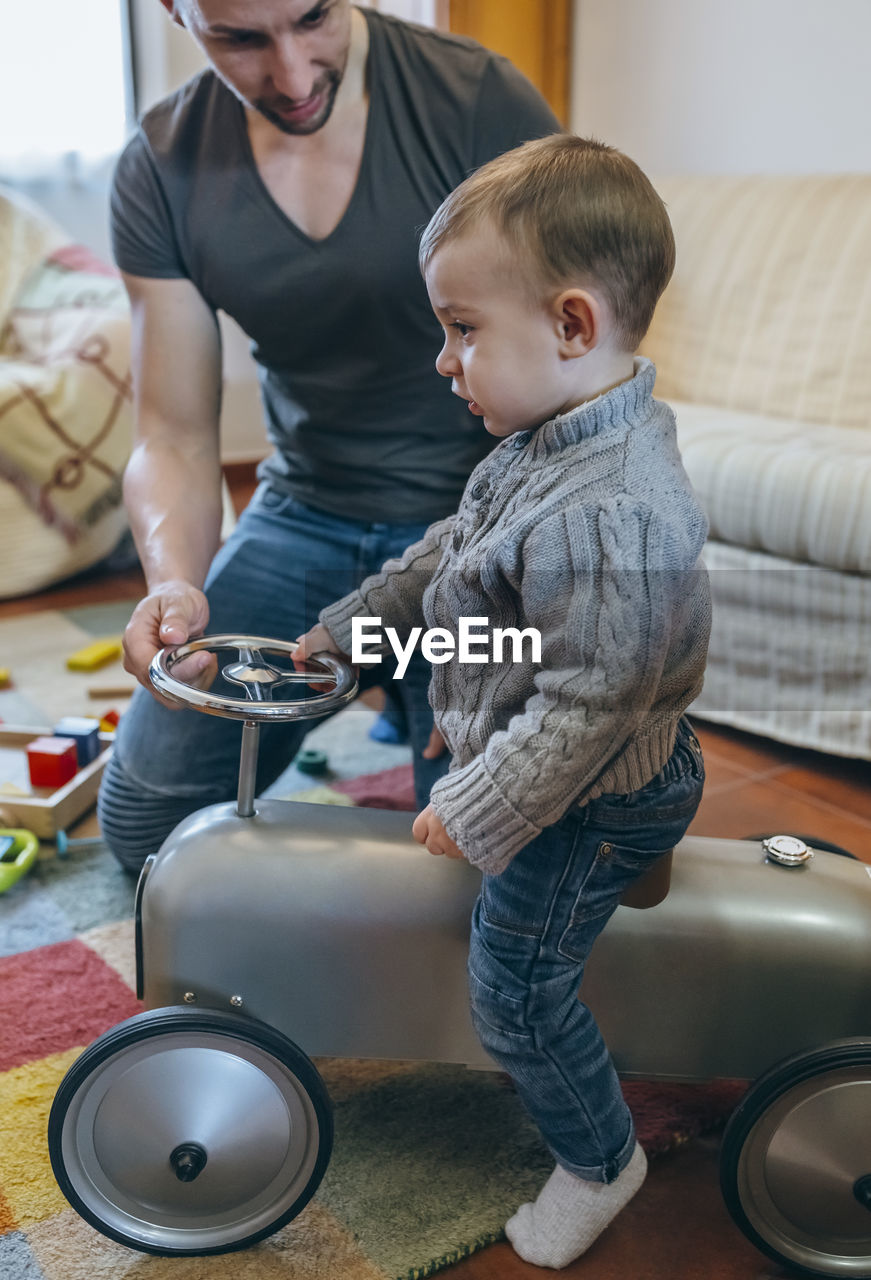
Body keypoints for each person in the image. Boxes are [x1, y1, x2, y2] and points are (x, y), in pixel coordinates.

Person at [295, 133, 711, 1268]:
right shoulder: (541, 445)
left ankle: (599, 1156)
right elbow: (454, 558)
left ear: (572, 326)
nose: (444, 361)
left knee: (514, 992)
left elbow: (587, 703)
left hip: (598, 791)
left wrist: (480, 800)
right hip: (550, 734)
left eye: (462, 329)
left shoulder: (610, 509)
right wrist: (347, 633)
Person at [97, 0, 560, 872]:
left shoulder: (478, 104)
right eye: (240, 38)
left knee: (482, 857)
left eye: (312, 18)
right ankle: (390, 686)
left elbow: (576, 380)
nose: (296, 74)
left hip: (475, 529)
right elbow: (174, 436)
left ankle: (407, 689)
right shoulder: (161, 165)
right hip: (303, 513)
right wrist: (173, 589)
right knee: (146, 835)